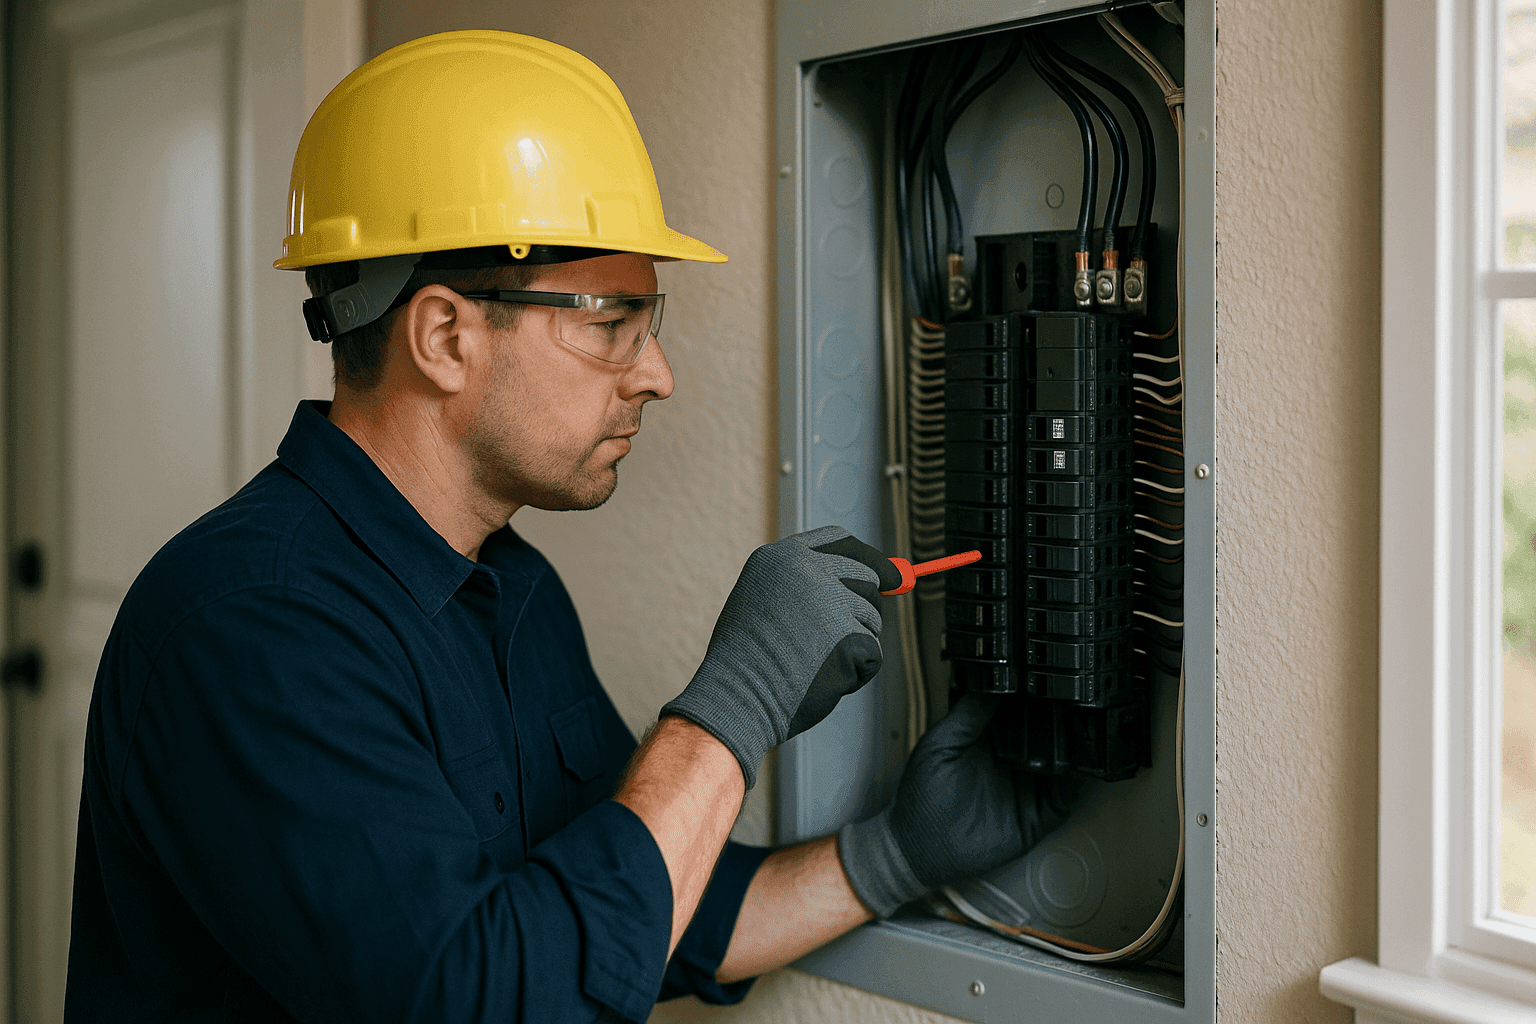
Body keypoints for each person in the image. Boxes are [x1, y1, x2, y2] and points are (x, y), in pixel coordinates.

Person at [63, 30, 1071, 1023]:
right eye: (608, 326)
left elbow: (626, 914)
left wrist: (891, 855)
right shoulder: (251, 628)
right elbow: (496, 997)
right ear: (446, 335)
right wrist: (736, 701)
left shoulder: (513, 588)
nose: (656, 374)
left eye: (650, 324)